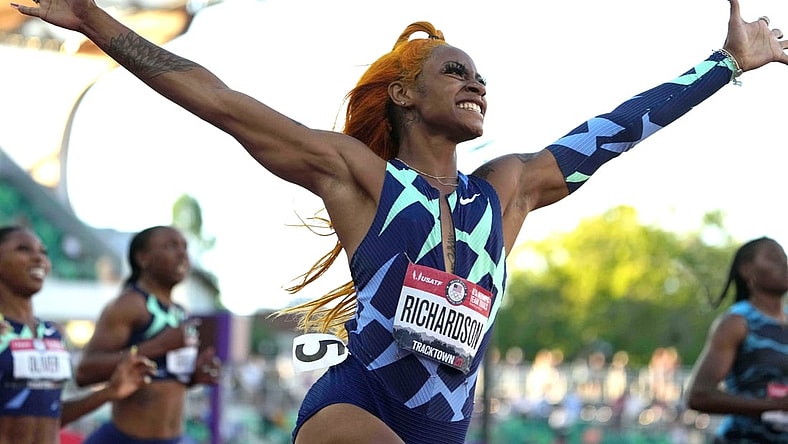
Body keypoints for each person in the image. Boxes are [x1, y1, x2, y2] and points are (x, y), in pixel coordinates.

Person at [11, 0, 788, 442]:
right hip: (355, 413)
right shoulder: (361, 179)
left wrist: (723, 66)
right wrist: (94, 21)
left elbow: (614, 130)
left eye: (481, 74)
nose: (476, 81)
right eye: (455, 70)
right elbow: (223, 103)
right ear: (406, 96)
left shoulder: (507, 192)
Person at [0, 225, 156, 444]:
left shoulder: (52, 333)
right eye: (23, 249)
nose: (38, 258)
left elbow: (53, 415)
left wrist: (110, 392)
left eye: (43, 253)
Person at [72, 225, 221, 444]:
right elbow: (84, 373)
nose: (182, 253)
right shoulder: (130, 304)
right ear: (143, 258)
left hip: (175, 438)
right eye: (171, 246)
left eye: (185, 247)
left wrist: (192, 377)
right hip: (126, 438)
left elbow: (158, 378)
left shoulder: (181, 312)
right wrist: (159, 345)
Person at [686, 236, 788, 443]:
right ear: (746, 270)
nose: (784, 264)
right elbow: (699, 395)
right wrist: (774, 405)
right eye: (773, 258)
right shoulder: (738, 322)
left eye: (785, 258)